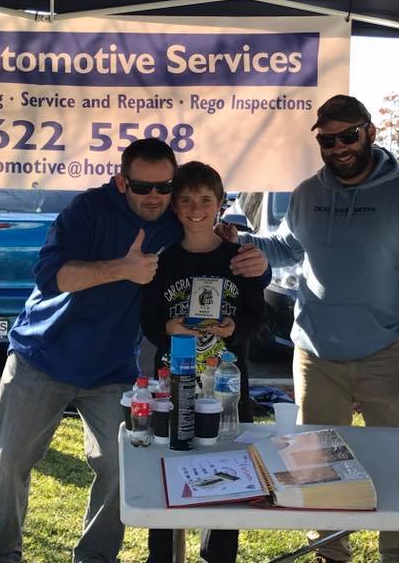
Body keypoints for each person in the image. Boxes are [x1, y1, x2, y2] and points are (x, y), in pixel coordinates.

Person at [0, 138, 268, 563]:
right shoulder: (88, 210)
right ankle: (0, 555)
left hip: (113, 370)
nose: (154, 196)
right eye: (142, 186)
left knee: (121, 470)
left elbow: (213, 246)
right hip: (43, 357)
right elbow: (50, 277)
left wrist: (253, 258)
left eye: (164, 187)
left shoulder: (172, 219)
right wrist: (123, 269)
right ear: (122, 182)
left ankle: (96, 557)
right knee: (9, 464)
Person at [216, 94, 399, 563]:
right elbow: (287, 247)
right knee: (316, 467)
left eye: (349, 135)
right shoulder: (308, 193)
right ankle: (329, 552)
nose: (339, 147)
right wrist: (241, 241)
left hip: (387, 353)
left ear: (370, 133)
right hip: (315, 355)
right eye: (328, 140)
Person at [141, 161, 268, 563]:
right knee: (167, 467)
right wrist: (169, 327)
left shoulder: (239, 259)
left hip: (226, 384)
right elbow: (148, 321)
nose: (196, 209)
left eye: (205, 200)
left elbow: (258, 316)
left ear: (220, 204)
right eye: (186, 200)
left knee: (230, 471)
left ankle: (219, 555)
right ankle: (162, 556)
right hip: (173, 384)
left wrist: (234, 327)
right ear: (174, 206)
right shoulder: (162, 263)